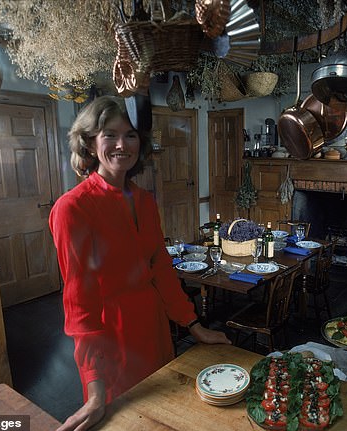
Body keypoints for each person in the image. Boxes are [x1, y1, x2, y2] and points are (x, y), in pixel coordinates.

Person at [49, 96, 230, 430]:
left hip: (156, 332)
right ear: (90, 142)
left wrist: (194, 325)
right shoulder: (72, 209)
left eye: (131, 135)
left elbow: (161, 269)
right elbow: (79, 305)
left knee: (170, 417)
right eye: (110, 134)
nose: (122, 144)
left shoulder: (145, 201)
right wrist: (93, 388)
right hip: (113, 344)